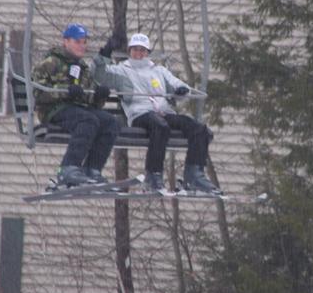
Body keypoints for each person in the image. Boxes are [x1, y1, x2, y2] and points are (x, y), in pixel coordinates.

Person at [93, 32, 219, 193]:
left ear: (148, 52)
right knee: (160, 126)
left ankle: (194, 175)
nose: (139, 54)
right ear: (130, 51)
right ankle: (153, 175)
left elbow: (175, 83)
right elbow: (99, 75)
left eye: (142, 50)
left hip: (164, 112)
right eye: (135, 50)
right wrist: (105, 52)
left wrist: (181, 89)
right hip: (140, 114)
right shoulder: (121, 70)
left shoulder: (158, 70)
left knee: (198, 129)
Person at [32, 23, 119, 187]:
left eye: (84, 42)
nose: (82, 46)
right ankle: (68, 168)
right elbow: (38, 92)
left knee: (109, 122)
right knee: (87, 120)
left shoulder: (82, 67)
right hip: (54, 110)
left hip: (77, 109)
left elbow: (89, 99)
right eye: (77, 42)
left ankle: (92, 169)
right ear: (66, 42)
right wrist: (65, 91)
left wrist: (99, 95)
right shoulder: (50, 63)